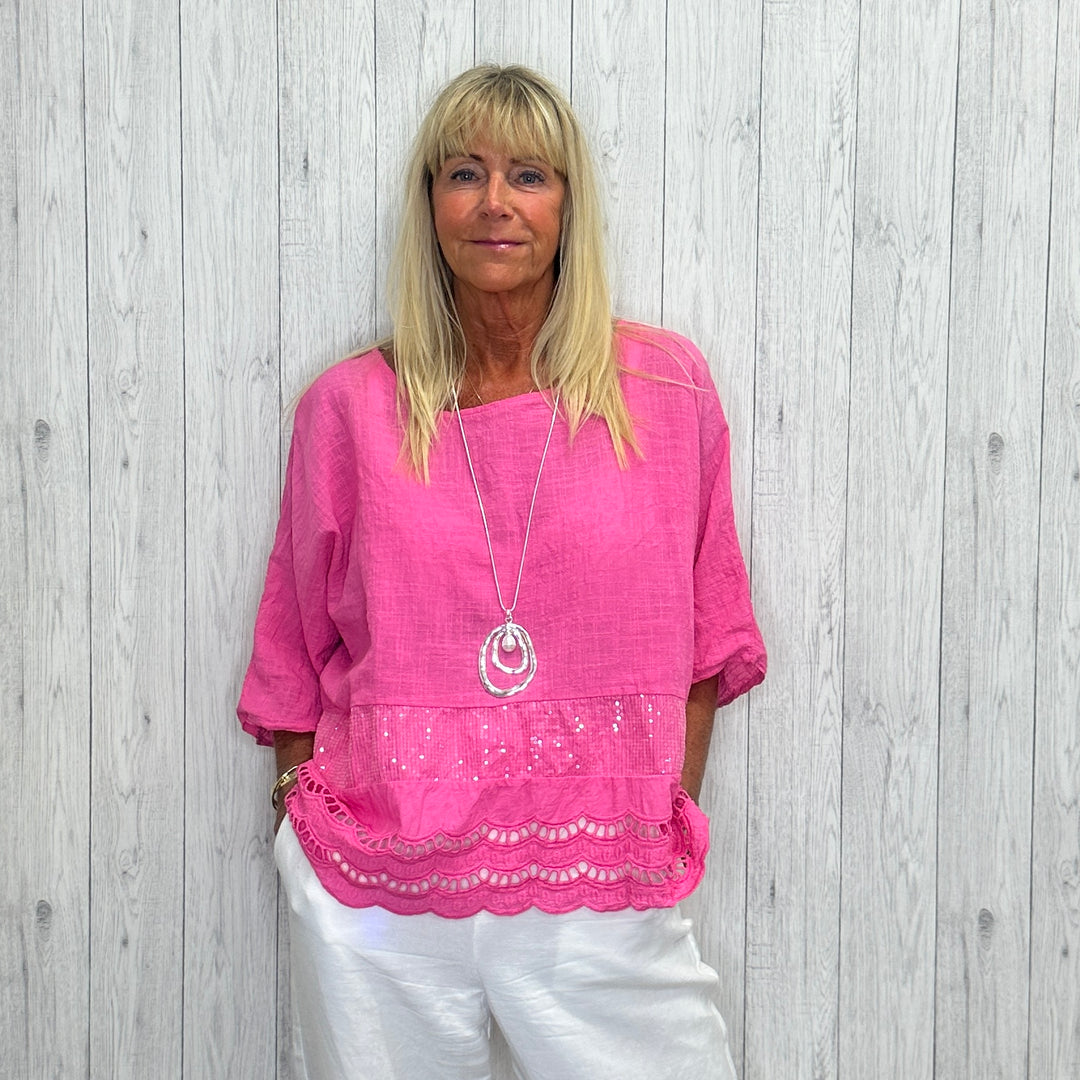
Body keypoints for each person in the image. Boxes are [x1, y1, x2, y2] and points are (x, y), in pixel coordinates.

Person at [238, 63, 765, 1080]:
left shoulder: (663, 390)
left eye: (528, 174)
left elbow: (709, 631)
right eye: (464, 173)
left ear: (568, 204)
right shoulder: (348, 409)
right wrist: (302, 825)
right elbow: (292, 645)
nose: (494, 203)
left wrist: (660, 811)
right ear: (430, 202)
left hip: (600, 889)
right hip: (379, 898)